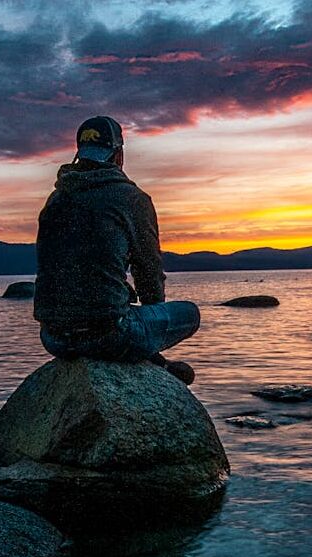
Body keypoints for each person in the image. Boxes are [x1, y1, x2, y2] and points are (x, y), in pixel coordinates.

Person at [34, 115, 199, 384]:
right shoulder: (132, 199)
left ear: (79, 154)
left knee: (119, 306)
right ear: (118, 154)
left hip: (53, 338)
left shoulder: (55, 200)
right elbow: (148, 272)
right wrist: (150, 325)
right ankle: (152, 360)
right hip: (109, 334)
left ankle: (149, 357)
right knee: (190, 313)